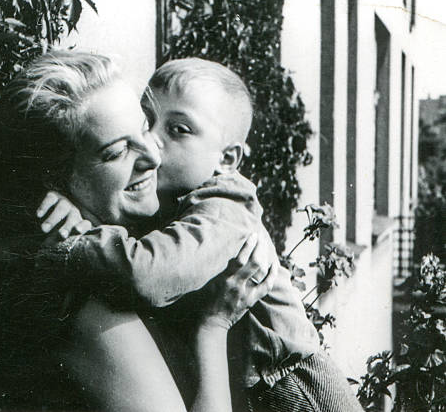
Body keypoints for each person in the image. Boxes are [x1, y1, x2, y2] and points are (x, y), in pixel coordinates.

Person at [39, 58, 364, 412]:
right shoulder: (171, 198)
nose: (153, 142)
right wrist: (73, 210)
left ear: (227, 159)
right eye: (149, 120)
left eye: (178, 129)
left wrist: (77, 242)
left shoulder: (223, 206)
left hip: (295, 386)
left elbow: (150, 273)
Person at [0, 51, 276, 412]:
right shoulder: (84, 297)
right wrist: (214, 326)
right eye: (117, 152)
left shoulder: (107, 245)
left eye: (141, 128)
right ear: (56, 176)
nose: (153, 155)